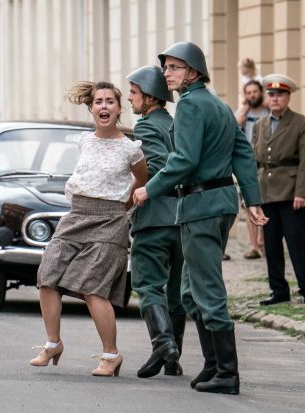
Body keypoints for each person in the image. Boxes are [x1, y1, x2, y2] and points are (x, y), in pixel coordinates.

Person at [133, 42, 268, 395]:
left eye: (175, 68)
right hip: (218, 202)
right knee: (190, 290)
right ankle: (212, 366)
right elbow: (242, 151)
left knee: (206, 290)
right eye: (166, 68)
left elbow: (184, 160)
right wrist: (252, 200)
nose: (167, 74)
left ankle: (227, 372)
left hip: (201, 205)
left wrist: (151, 189)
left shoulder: (192, 105)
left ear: (193, 72)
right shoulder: (218, 105)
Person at [30, 81, 148, 377]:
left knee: (93, 288)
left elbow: (142, 180)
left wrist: (124, 205)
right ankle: (52, 343)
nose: (104, 106)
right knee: (47, 276)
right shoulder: (84, 140)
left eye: (110, 101)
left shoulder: (130, 148)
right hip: (76, 215)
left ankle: (112, 355)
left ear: (119, 109)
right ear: (92, 108)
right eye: (98, 102)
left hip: (110, 220)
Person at [125, 65, 185, 378]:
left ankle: (164, 342)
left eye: (133, 93)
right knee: (175, 292)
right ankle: (172, 359)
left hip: (156, 217)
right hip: (183, 217)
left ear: (149, 97)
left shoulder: (147, 127)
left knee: (147, 283)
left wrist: (140, 192)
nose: (129, 99)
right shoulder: (174, 124)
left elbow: (161, 166)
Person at [253, 74, 305, 306]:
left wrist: (301, 191)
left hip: (291, 193)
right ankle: (278, 289)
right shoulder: (259, 125)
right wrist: (252, 196)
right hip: (267, 192)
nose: (275, 98)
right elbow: (254, 161)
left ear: (288, 97)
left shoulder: (301, 122)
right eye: (271, 94)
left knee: (297, 242)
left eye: (280, 94)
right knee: (271, 245)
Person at [236, 80, 269, 259]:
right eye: (248, 92)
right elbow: (235, 125)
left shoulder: (267, 110)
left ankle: (264, 241)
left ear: (261, 92)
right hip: (247, 166)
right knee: (248, 205)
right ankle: (254, 245)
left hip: (264, 165)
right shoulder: (243, 113)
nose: (252, 95)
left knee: (263, 203)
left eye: (255, 92)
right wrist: (245, 109)